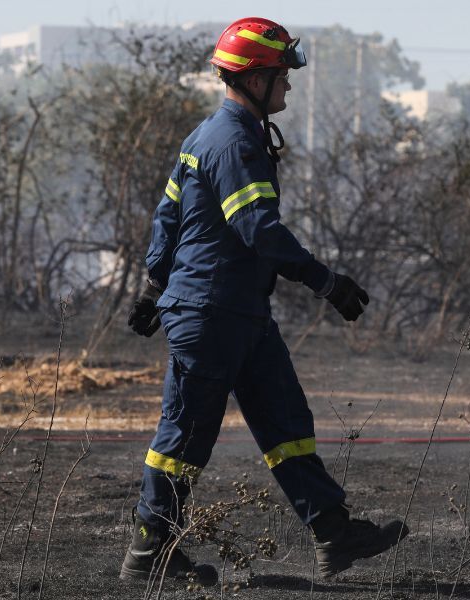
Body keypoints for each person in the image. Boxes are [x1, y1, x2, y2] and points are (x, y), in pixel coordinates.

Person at [119, 17, 407, 586]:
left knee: (285, 419)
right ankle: (149, 551)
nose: (289, 85)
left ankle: (333, 532)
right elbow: (259, 229)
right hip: (211, 312)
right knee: (185, 435)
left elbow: (168, 217)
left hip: (238, 311)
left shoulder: (207, 136)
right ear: (254, 80)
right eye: (281, 75)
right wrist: (326, 282)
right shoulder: (234, 143)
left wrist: (155, 285)